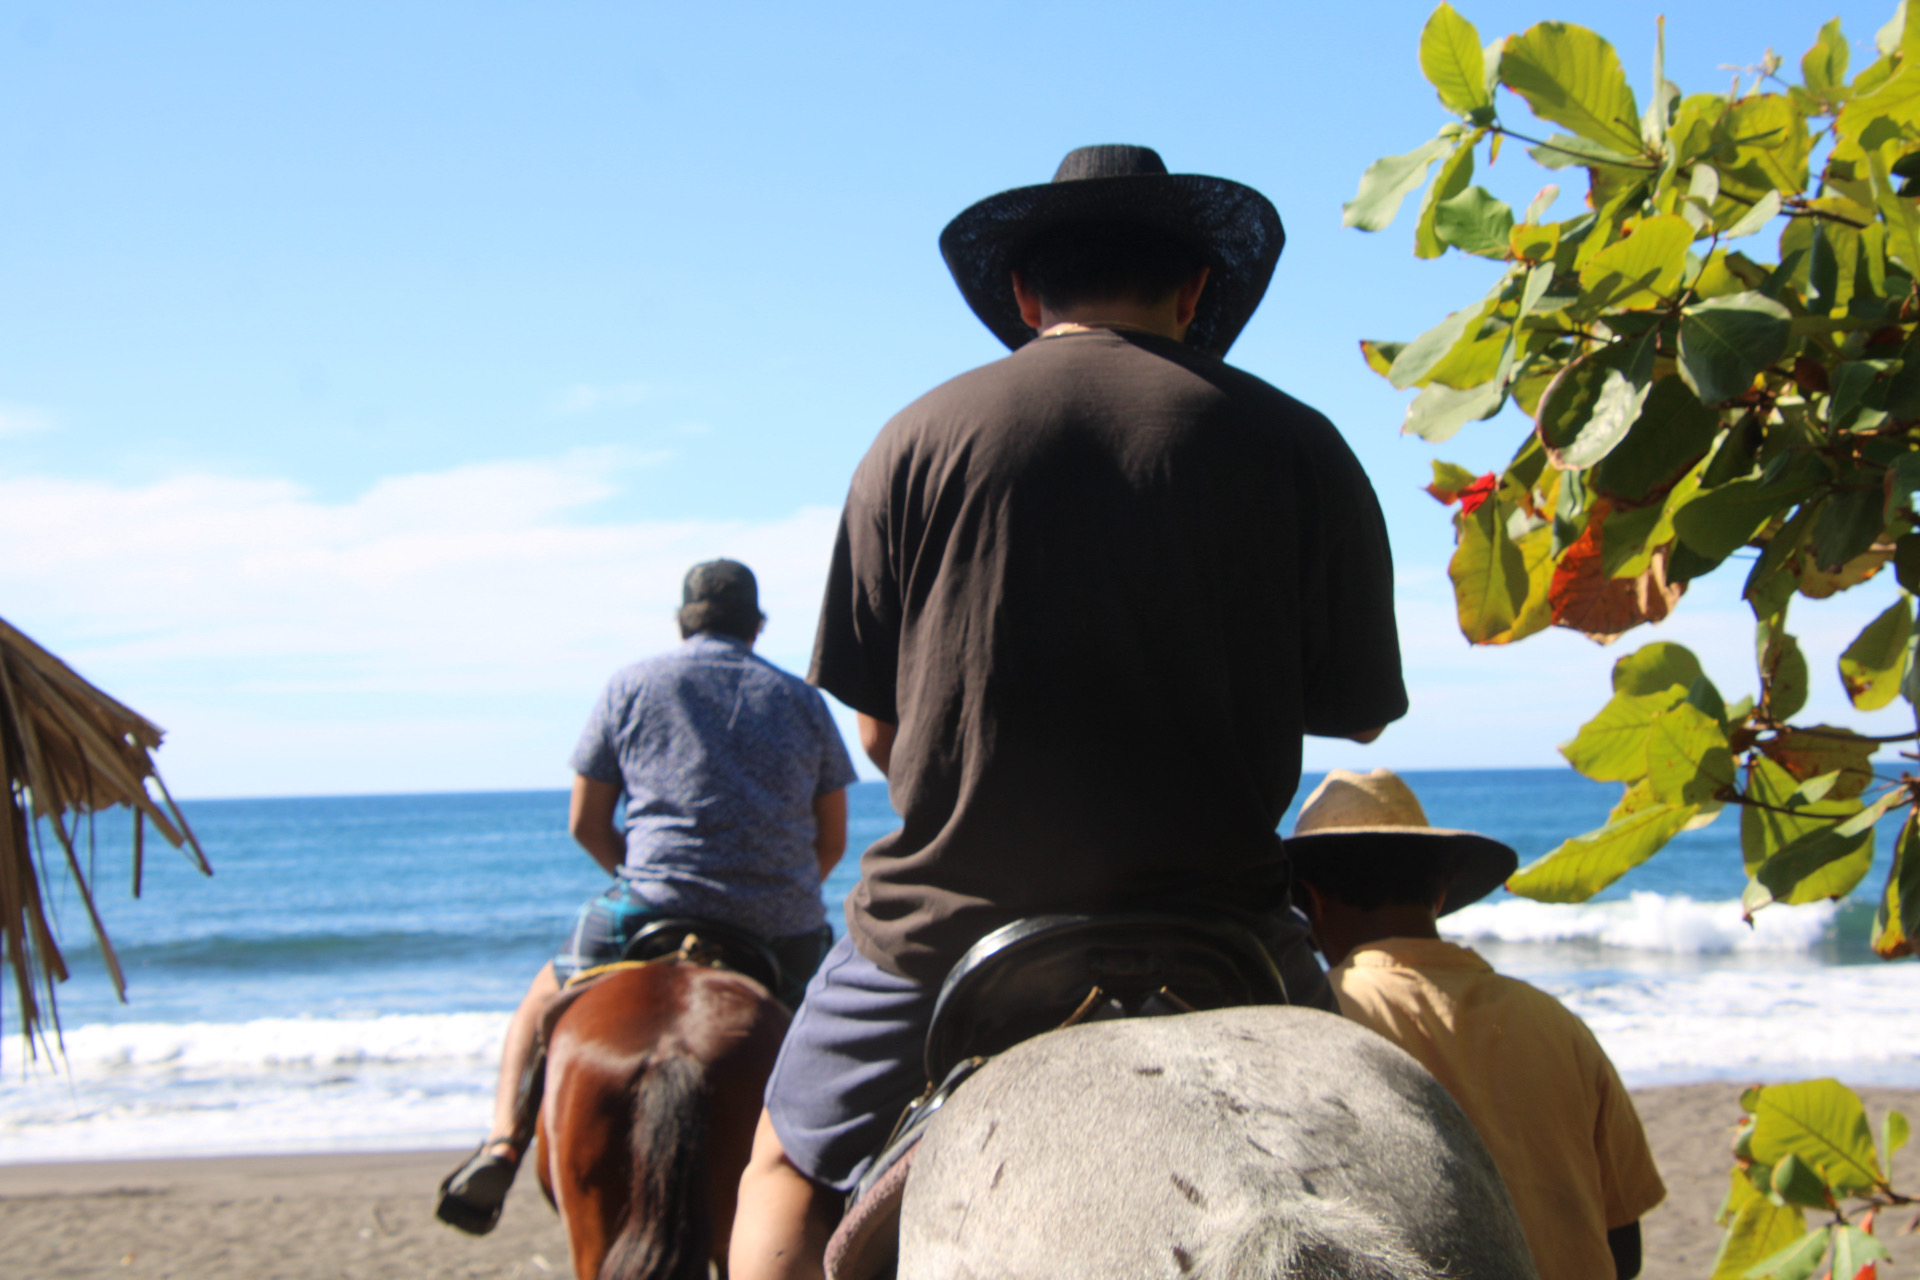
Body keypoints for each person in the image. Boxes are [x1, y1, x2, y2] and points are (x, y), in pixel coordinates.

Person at [731, 145, 1407, 1280]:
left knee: (783, 1173)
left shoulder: (915, 437)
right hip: (1227, 930)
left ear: (1025, 294)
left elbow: (884, 738)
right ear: (1195, 294)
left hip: (947, 932)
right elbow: (1361, 717)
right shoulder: (1300, 440)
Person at [436, 558, 858, 1236]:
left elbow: (585, 823)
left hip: (651, 903)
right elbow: (831, 838)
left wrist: (636, 874)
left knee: (542, 1001)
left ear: (683, 618)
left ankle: (501, 1146)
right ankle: (855, 1165)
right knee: (839, 1029)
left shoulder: (631, 683)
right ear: (757, 624)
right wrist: (780, 889)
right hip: (776, 921)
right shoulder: (802, 700)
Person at [1285, 768, 1666, 1280]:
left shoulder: (1312, 1019)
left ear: (1311, 902)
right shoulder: (1557, 1022)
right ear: (1439, 895)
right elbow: (1623, 1249)